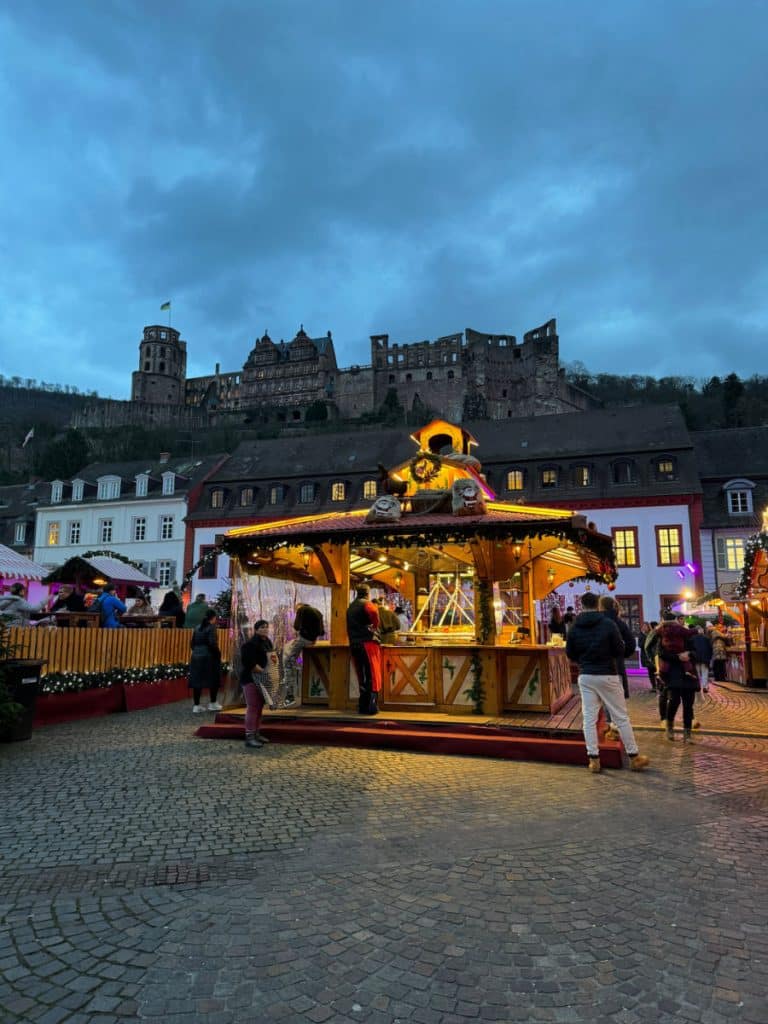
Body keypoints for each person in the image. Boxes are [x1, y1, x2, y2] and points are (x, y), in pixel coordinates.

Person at [565, 591, 649, 774]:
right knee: (621, 716)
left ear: (581, 605)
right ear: (597, 605)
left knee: (589, 718)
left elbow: (570, 652)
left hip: (586, 674)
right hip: (607, 673)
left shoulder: (574, 626)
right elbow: (620, 649)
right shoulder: (608, 623)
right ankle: (634, 756)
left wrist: (583, 661)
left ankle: (593, 759)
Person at [656, 611, 698, 742]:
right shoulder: (664, 634)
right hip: (672, 671)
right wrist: (677, 657)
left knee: (688, 703)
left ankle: (687, 733)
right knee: (674, 701)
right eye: (678, 620)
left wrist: (689, 654)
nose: (680, 623)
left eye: (681, 620)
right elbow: (661, 653)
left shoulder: (687, 636)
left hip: (688, 672)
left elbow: (696, 652)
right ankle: (669, 727)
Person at [598, 595, 636, 740]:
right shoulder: (619, 623)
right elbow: (631, 644)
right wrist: (621, 654)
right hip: (616, 666)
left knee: (604, 698)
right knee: (616, 699)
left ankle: (611, 726)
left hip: (600, 665)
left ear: (600, 607)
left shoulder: (598, 622)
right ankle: (615, 727)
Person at [280, 602, 325, 707]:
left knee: (287, 664)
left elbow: (296, 627)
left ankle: (289, 696)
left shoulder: (302, 610)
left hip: (303, 639)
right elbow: (322, 632)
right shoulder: (318, 612)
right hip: (313, 641)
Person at [239, 619, 275, 748]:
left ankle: (256, 733)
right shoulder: (250, 644)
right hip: (251, 679)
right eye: (262, 627)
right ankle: (249, 736)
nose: (265, 629)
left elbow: (272, 659)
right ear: (256, 629)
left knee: (259, 707)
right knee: (253, 707)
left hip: (263, 679)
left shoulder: (268, 643)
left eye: (266, 627)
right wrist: (264, 672)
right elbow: (250, 664)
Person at [346, 584, 381, 715]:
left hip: (354, 643)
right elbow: (374, 614)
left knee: (361, 675)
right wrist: (374, 626)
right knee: (372, 674)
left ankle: (362, 705)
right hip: (367, 644)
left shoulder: (350, 607)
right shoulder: (367, 604)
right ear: (368, 593)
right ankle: (371, 706)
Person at [188, 608, 222, 713]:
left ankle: (196, 705)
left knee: (197, 681)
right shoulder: (212, 627)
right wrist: (218, 654)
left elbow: (192, 643)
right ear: (214, 618)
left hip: (196, 656)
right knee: (213, 679)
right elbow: (212, 643)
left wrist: (197, 651)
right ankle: (213, 703)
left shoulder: (197, 627)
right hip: (209, 657)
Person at [639, 621, 659, 691]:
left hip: (653, 655)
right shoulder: (641, 635)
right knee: (650, 672)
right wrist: (646, 638)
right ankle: (653, 686)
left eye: (645, 626)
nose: (644, 628)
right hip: (645, 656)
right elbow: (640, 645)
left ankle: (658, 685)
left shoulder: (652, 634)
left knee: (656, 671)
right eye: (643, 626)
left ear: (648, 627)